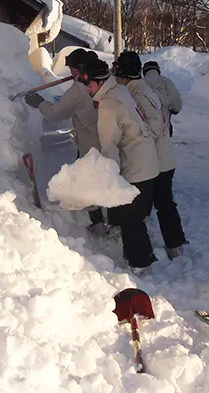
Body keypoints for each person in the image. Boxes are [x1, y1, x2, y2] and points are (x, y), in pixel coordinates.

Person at [79, 57, 160, 274]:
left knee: (130, 218)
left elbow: (109, 145)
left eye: (89, 85)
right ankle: (138, 258)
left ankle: (141, 264)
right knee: (132, 216)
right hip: (147, 162)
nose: (88, 90)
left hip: (136, 166)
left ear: (98, 82)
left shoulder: (108, 105)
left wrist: (109, 177)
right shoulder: (119, 91)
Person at [112, 52, 188, 259]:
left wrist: (130, 137)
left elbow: (152, 128)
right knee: (160, 204)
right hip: (160, 159)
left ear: (124, 75)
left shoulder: (138, 95)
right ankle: (174, 245)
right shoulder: (141, 89)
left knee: (156, 205)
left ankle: (168, 247)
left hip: (158, 161)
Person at [23, 48, 105, 229]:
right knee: (103, 176)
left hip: (90, 141)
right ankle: (103, 215)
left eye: (73, 69)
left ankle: (97, 220)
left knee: (88, 179)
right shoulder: (101, 79)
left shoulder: (79, 89)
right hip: (106, 137)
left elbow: (55, 112)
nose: (70, 72)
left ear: (81, 68)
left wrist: (39, 103)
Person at [143, 61, 183, 137]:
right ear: (158, 70)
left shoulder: (141, 83)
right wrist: (172, 111)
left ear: (144, 71)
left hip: (144, 132)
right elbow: (177, 105)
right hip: (164, 130)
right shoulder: (167, 82)